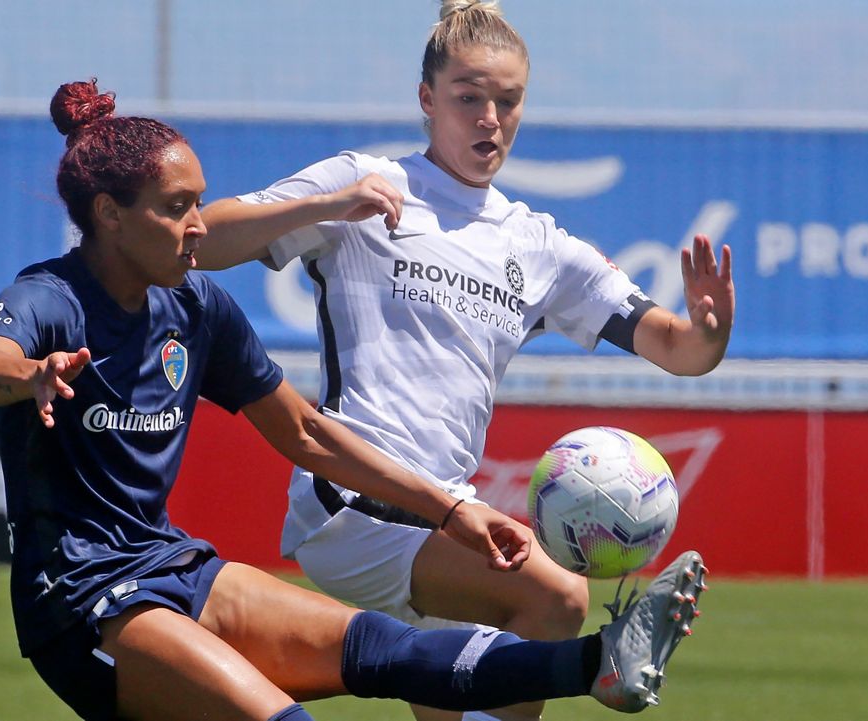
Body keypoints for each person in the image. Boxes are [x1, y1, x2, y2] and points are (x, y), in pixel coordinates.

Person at [0, 79, 705, 721]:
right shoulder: (49, 296)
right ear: (111, 214)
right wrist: (28, 377)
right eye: (176, 206)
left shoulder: (195, 307)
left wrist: (450, 510)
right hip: (82, 599)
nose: (197, 225)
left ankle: (603, 661)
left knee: (385, 650)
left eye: (200, 203)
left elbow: (308, 434)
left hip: (168, 564)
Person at [196, 2, 732, 720]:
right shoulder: (368, 181)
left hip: (450, 517)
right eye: (468, 98)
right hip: (353, 506)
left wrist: (711, 329)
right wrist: (325, 204)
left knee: (462, 696)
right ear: (427, 99)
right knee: (555, 595)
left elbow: (678, 348)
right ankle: (603, 663)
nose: (489, 118)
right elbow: (200, 239)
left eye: (506, 101)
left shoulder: (536, 243)